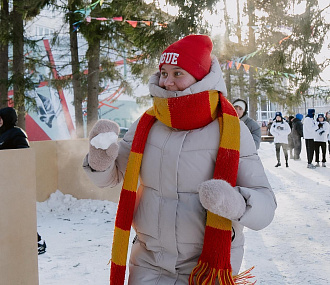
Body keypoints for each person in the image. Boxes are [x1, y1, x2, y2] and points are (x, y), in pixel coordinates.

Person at [83, 35, 276, 285]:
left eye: (178, 73)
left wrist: (235, 204)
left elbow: (265, 205)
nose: (167, 82)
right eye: (164, 73)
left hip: (206, 267)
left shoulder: (231, 129)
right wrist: (99, 160)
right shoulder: (146, 124)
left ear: (200, 77)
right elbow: (112, 177)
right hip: (148, 261)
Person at [0, 107, 47, 255]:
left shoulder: (17, 133)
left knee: (19, 215)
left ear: (7, 119)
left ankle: (37, 241)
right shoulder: (1, 134)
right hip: (4, 181)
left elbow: (24, 156)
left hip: (15, 182)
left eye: (1, 118)